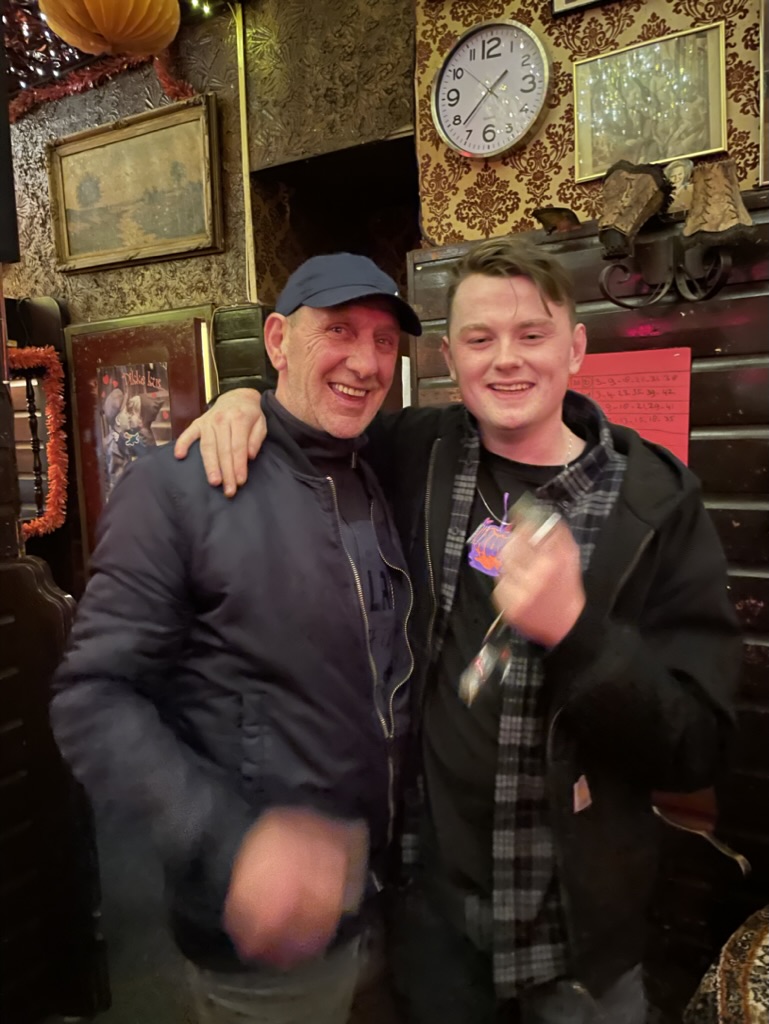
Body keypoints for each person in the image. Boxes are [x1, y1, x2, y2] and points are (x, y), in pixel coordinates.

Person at [176, 237, 740, 1023]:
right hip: (433, 930)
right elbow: (308, 418)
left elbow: (694, 746)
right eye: (479, 338)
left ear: (575, 348)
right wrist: (241, 401)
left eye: (531, 334)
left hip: (576, 945)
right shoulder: (416, 451)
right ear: (449, 357)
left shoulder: (656, 504)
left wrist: (576, 631)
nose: (505, 359)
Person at [50, 252, 424, 1024]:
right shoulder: (177, 486)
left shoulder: (381, 467)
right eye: (339, 331)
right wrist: (231, 843)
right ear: (277, 339)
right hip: (265, 931)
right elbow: (93, 697)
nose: (365, 362)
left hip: (392, 900)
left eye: (385, 340)